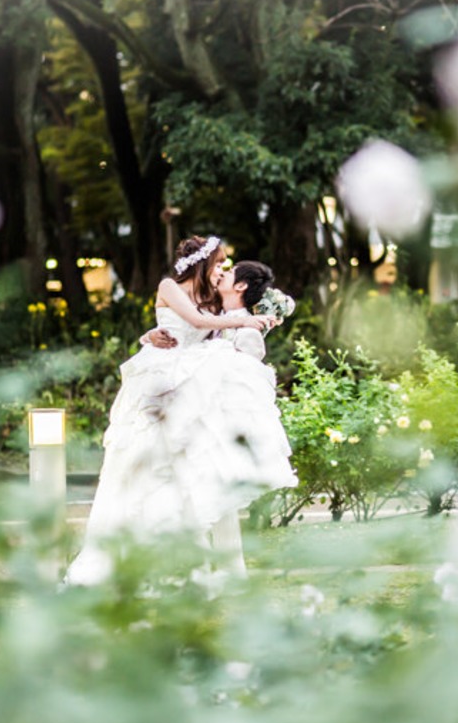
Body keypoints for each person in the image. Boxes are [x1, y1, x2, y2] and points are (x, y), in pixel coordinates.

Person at [64, 238, 289, 586]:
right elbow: (193, 322)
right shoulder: (170, 286)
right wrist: (149, 336)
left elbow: (213, 328)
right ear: (202, 264)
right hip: (158, 381)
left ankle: (186, 563)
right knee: (137, 467)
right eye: (219, 265)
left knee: (180, 477)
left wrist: (250, 320)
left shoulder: (214, 302)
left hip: (187, 388)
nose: (222, 272)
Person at [142, 260, 292, 577]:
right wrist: (151, 337)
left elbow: (247, 384)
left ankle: (225, 571)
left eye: (230, 271)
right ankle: (213, 569)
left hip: (218, 431)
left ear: (240, 287)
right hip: (196, 426)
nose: (221, 272)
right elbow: (185, 340)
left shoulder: (247, 328)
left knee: (216, 502)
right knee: (203, 500)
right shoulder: (214, 319)